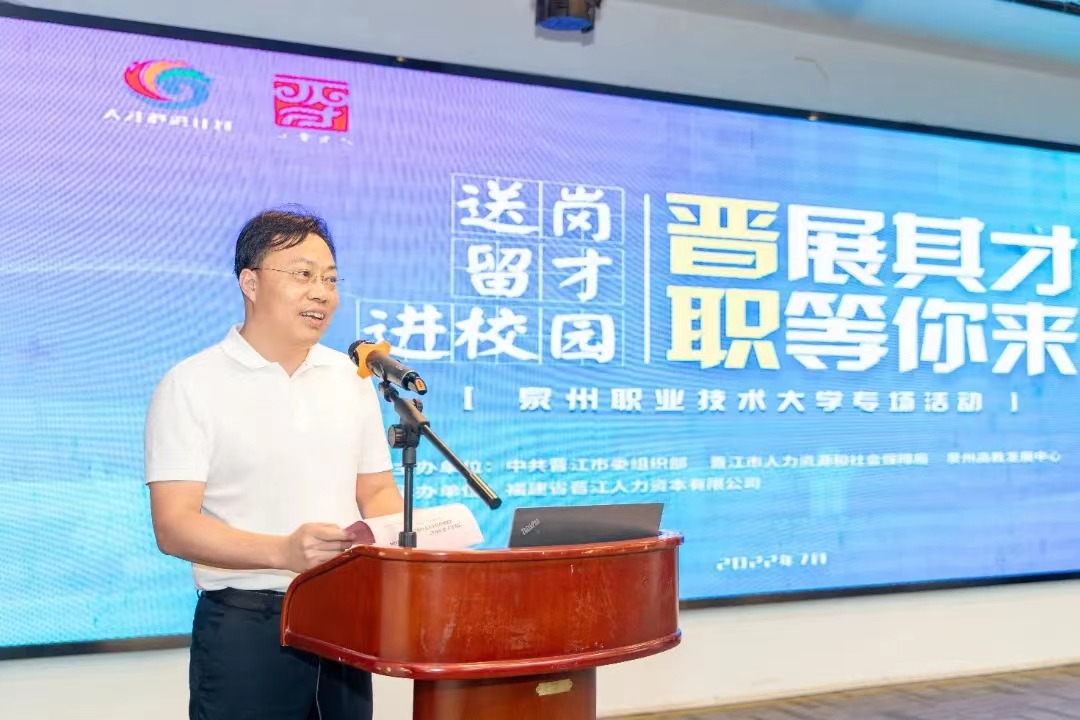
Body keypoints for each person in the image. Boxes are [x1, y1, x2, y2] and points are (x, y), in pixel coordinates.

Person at [143, 208, 404, 720]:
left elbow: (376, 491)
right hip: (247, 626)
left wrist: (401, 545)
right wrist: (282, 551)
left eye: (330, 279)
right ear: (250, 283)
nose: (321, 293)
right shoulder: (192, 384)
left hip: (343, 617)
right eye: (303, 274)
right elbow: (173, 526)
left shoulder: (349, 379)